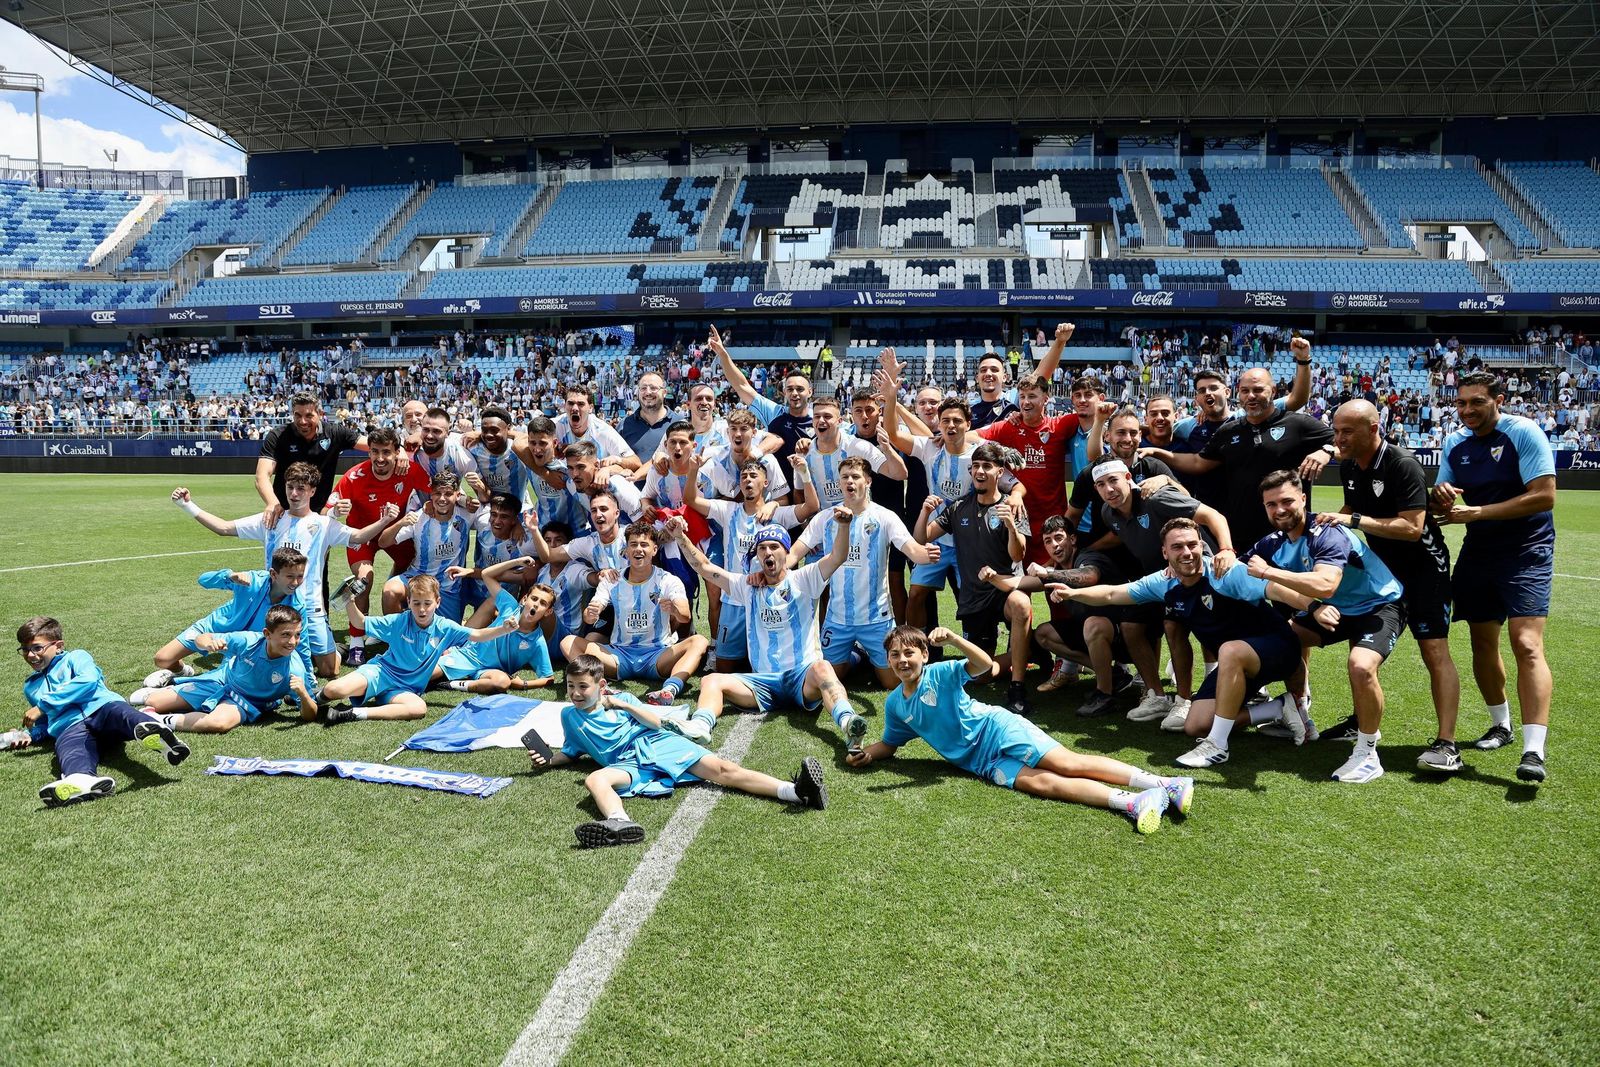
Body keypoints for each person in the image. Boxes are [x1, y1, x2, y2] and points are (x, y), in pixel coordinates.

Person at [847, 625, 1189, 835]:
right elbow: (890, 744)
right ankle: (1134, 801)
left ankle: (1166, 784)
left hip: (997, 729)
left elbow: (987, 665)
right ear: (888, 660)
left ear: (924, 654)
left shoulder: (941, 672)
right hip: (980, 762)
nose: (902, 660)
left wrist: (953, 639)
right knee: (1042, 784)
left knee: (1068, 764)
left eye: (909, 652)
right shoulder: (895, 704)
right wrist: (867, 754)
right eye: (895, 655)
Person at [1050, 518, 1317, 769]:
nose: (1187, 552)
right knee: (1195, 725)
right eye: (1177, 547)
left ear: (1202, 545)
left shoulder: (1224, 572)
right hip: (1234, 665)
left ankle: (1217, 745)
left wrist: (1313, 605)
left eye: (1192, 544)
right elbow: (1111, 593)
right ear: (1165, 553)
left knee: (1229, 649)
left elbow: (1275, 589)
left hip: (1278, 652)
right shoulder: (1164, 582)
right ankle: (1280, 707)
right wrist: (1074, 592)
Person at [527, 655, 827, 849]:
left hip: (657, 743)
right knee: (595, 780)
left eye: (583, 686)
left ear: (601, 685)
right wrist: (550, 759)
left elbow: (656, 721)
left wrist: (625, 704)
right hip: (628, 763)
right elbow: (572, 751)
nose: (576, 693)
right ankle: (619, 822)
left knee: (724, 771)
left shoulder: (623, 700)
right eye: (571, 686)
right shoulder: (569, 716)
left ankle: (796, 791)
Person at [1321, 399, 1462, 772]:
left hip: (1424, 572)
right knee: (1360, 642)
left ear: (1373, 429)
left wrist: (1351, 519)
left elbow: (1412, 528)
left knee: (1434, 652)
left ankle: (1447, 744)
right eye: (1336, 431)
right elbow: (1354, 513)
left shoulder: (1402, 464)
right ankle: (1360, 721)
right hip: (1382, 572)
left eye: (1347, 431)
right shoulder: (1349, 465)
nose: (1339, 438)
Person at [1430, 371, 1557, 783]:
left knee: (1526, 644)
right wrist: (1441, 498)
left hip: (1526, 551)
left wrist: (1478, 512)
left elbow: (1544, 495)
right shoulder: (1455, 442)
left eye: (1477, 403)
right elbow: (1441, 505)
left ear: (1498, 400)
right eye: (1461, 403)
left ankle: (1533, 750)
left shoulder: (1524, 432)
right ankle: (1500, 725)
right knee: (1482, 642)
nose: (1467, 410)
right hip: (1479, 550)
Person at [1247, 471, 1405, 783]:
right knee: (1283, 640)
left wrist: (1267, 573)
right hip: (1335, 610)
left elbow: (1325, 583)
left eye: (1288, 501)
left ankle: (1367, 753)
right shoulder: (1273, 542)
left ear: (1303, 499)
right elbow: (1238, 568)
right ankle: (1299, 715)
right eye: (1271, 504)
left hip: (1378, 604)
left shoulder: (1326, 531)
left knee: (1361, 666)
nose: (1280, 510)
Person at [660, 511, 866, 751]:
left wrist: (843, 526)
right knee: (711, 680)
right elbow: (705, 567)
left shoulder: (805, 578)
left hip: (802, 677)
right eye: (762, 548)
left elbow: (838, 556)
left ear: (787, 552)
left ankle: (849, 722)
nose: (768, 552)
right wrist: (680, 537)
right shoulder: (747, 586)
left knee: (823, 667)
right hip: (762, 683)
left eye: (775, 547)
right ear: (757, 555)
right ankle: (700, 726)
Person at [172, 464, 395, 678]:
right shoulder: (271, 519)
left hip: (311, 607)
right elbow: (223, 528)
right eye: (290, 487)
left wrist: (385, 520)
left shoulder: (323, 524)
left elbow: (358, 537)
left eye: (301, 488)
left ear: (313, 491)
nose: (294, 494)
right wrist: (187, 505)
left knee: (330, 670)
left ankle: (334, 650)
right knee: (268, 662)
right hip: (275, 608)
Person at [788, 456, 942, 688]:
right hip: (837, 619)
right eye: (845, 477)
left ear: (868, 481)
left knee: (892, 683)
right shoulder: (825, 518)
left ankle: (868, 650)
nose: (850, 481)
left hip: (876, 618)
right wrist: (776, 568)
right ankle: (857, 655)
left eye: (855, 476)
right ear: (839, 483)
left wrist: (925, 554)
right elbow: (796, 552)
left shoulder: (885, 517)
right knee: (829, 678)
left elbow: (913, 550)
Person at [10, 616, 189, 807]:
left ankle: (157, 734)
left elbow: (87, 680)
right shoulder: (31, 686)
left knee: (120, 713)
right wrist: (30, 735)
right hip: (69, 727)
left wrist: (43, 705)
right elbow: (45, 723)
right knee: (70, 749)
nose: (30, 655)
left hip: (101, 708)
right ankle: (80, 780)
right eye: (25, 649)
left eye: (37, 648)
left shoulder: (76, 657)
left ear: (59, 645)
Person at [916, 443, 1033, 716]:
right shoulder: (958, 508)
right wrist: (924, 512)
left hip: (1003, 589)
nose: (980, 471)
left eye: (987, 467)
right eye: (976, 466)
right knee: (981, 675)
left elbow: (1019, 554)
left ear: (999, 471)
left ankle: (1017, 686)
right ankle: (1029, 650)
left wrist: (1011, 527)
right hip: (973, 598)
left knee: (1021, 605)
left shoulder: (1011, 507)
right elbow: (923, 538)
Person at [319, 574, 518, 723]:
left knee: (418, 708)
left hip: (406, 689)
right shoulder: (398, 621)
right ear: (409, 602)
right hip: (381, 673)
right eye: (416, 603)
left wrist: (503, 629)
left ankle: (352, 713)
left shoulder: (445, 627)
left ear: (437, 603)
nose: (422, 609)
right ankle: (312, 698)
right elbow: (359, 622)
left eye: (427, 603)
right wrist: (350, 601)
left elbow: (478, 635)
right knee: (334, 688)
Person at [684, 455, 817, 671]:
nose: (747, 480)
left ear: (765, 483)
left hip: (769, 600)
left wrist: (803, 474)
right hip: (735, 598)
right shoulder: (728, 511)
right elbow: (691, 499)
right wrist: (692, 471)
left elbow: (811, 506)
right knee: (724, 667)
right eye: (744, 476)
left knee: (769, 662)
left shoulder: (778, 515)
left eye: (753, 476)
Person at [560, 521, 710, 705]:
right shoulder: (612, 579)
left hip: (657, 654)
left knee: (700, 641)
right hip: (618, 656)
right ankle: (602, 687)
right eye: (633, 544)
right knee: (568, 642)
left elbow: (685, 615)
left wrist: (674, 609)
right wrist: (591, 614)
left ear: (654, 550)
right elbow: (593, 609)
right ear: (626, 550)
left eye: (644, 545)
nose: (638, 549)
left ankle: (669, 689)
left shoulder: (668, 580)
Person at [324, 427, 432, 665]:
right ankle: (356, 642)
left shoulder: (409, 470)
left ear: (397, 452)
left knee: (411, 576)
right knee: (364, 579)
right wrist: (334, 512)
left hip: (395, 534)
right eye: (375, 452)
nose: (380, 458)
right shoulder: (353, 476)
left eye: (386, 452)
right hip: (362, 537)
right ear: (369, 452)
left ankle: (399, 629)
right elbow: (326, 509)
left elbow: (438, 491)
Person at [131, 606, 317, 733]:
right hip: (222, 681)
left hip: (248, 701)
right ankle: (165, 687)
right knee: (155, 702)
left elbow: (311, 714)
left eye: (297, 635)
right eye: (286, 635)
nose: (293, 642)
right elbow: (201, 637)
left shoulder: (295, 669)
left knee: (218, 723)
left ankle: (160, 722)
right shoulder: (248, 641)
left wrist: (303, 695)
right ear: (267, 634)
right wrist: (209, 644)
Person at [145, 548, 310, 686]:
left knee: (225, 682)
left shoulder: (298, 605)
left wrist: (308, 679)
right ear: (273, 574)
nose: (295, 582)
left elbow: (301, 644)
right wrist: (228, 576)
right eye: (290, 576)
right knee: (162, 659)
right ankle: (182, 671)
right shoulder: (251, 581)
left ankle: (180, 686)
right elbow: (203, 580)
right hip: (213, 627)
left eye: (300, 576)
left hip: (245, 646)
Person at [976, 372, 1076, 567]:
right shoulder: (1008, 427)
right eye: (1022, 397)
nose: (1026, 402)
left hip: (1054, 524)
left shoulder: (1061, 425)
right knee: (1019, 591)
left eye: (1032, 396)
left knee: (1057, 589)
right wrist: (1000, 449)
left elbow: (1092, 417)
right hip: (1019, 521)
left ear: (1046, 399)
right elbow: (970, 437)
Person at [434, 556, 557, 694]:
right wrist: (517, 562)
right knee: (426, 675)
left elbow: (549, 678)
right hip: (468, 655)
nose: (536, 604)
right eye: (534, 599)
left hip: (489, 672)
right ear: (524, 599)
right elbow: (487, 575)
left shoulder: (537, 641)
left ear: (548, 612)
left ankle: (451, 685)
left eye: (543, 603)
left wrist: (524, 684)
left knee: (502, 682)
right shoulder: (510, 606)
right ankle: (445, 663)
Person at [255, 392, 377, 517]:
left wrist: (398, 449)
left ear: (320, 414)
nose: (303, 421)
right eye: (298, 415)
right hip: (283, 513)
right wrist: (272, 503)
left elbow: (375, 444)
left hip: (318, 516)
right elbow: (262, 476)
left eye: (309, 416)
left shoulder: (335, 433)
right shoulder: (277, 436)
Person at [709, 324, 813, 470]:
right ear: (784, 392)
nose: (795, 393)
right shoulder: (774, 412)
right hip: (778, 489)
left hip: (809, 488)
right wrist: (722, 354)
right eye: (790, 389)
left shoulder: (818, 419)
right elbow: (741, 386)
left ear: (810, 392)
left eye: (800, 389)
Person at [379, 470, 474, 622]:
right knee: (391, 591)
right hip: (418, 577)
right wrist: (400, 523)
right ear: (431, 494)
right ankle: (398, 640)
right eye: (437, 493)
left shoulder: (467, 516)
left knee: (448, 641)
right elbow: (383, 542)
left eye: (448, 494)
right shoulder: (419, 517)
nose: (442, 499)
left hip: (448, 587)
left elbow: (492, 513)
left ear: (457, 495)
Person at [555, 385, 640, 469]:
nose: (575, 408)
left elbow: (635, 462)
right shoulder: (554, 426)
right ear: (565, 405)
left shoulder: (603, 431)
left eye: (581, 404)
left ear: (590, 408)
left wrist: (616, 461)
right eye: (570, 403)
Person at [617, 371, 675, 458]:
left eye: (653, 388)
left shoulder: (679, 423)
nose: (648, 393)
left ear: (664, 392)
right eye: (643, 388)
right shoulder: (623, 426)